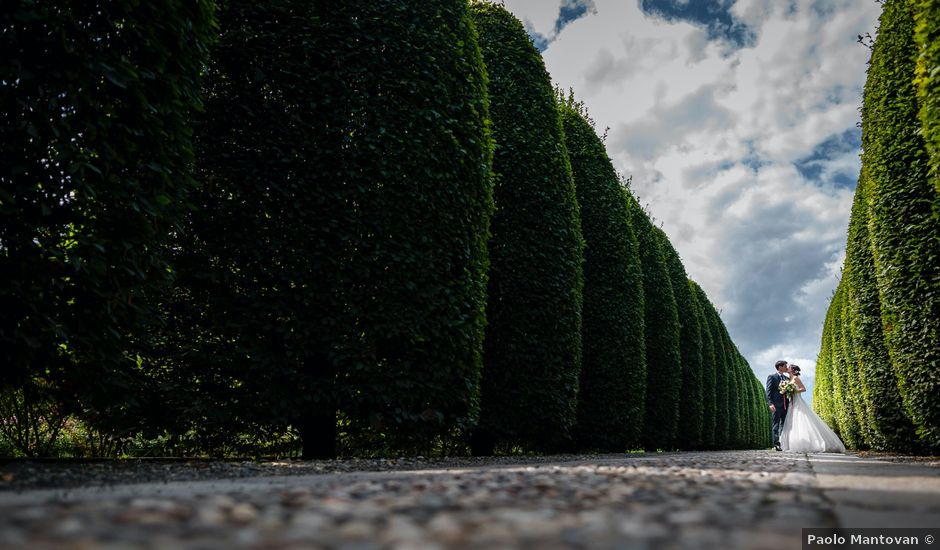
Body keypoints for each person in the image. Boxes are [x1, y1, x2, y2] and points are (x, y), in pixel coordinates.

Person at [779, 364, 846, 453]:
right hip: (792, 402)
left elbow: (803, 389)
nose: (787, 368)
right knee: (792, 422)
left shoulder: (795, 378)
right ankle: (794, 443)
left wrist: (794, 390)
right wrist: (786, 390)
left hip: (798, 401)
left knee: (801, 420)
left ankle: (809, 444)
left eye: (789, 367)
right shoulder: (788, 380)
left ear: (793, 370)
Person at [765, 360, 790, 451]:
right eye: (785, 366)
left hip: (786, 405)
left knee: (785, 425)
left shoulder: (787, 379)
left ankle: (785, 443)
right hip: (776, 405)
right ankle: (777, 444)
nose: (786, 368)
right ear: (780, 367)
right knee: (776, 425)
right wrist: (770, 403)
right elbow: (768, 391)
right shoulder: (772, 377)